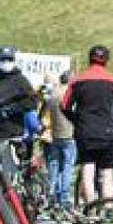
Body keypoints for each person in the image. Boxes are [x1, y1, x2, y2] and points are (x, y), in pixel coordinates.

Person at [61, 45, 113, 206]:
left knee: (87, 166)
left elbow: (64, 106)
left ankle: (90, 207)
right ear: (106, 60)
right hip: (107, 131)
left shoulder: (78, 80)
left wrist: (75, 119)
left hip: (85, 131)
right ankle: (108, 206)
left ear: (89, 58)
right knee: (107, 170)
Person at [0, 46, 41, 162]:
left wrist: (10, 110)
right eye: (3, 59)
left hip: (12, 133)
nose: (6, 62)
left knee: (9, 172)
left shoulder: (21, 80)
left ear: (14, 61)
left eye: (9, 59)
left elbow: (32, 102)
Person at [40, 72, 76, 210]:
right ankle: (64, 196)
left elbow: (43, 114)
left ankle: (51, 194)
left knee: (54, 167)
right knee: (67, 167)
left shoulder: (52, 95)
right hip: (69, 134)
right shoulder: (70, 95)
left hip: (55, 135)